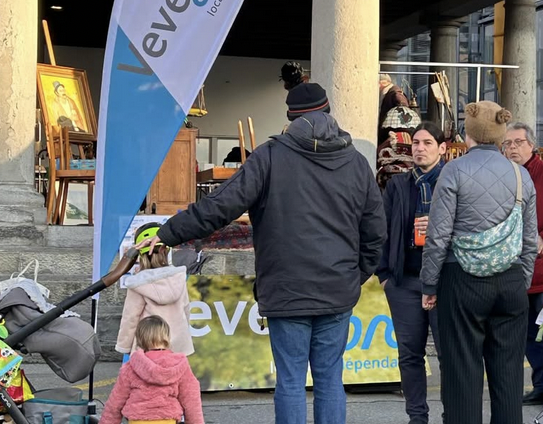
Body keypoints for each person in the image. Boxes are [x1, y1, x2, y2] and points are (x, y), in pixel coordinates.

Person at [134, 82, 387, 424]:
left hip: (287, 288)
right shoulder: (356, 163)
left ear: (290, 118)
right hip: (337, 289)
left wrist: (167, 234)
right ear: (328, 112)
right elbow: (375, 230)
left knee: (292, 382)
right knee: (329, 380)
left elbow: (219, 207)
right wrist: (354, 277)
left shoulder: (270, 157)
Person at [421, 101, 538, 424]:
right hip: (511, 280)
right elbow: (530, 241)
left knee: (462, 373)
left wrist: (429, 284)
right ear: (501, 133)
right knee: (509, 375)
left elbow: (438, 236)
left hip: (462, 278)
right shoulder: (520, 175)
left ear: (469, 132)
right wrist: (522, 280)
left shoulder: (454, 170)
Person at [375, 121, 446, 424]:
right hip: (405, 282)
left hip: (445, 282)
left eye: (427, 143)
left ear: (442, 148)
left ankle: (452, 414)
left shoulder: (452, 181)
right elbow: (382, 230)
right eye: (416, 143)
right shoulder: (398, 185)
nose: (420, 148)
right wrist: (385, 275)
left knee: (448, 356)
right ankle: (417, 417)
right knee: (410, 355)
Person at [503, 122, 543, 411]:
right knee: (528, 334)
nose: (512, 147)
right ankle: (542, 385)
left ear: (532, 145)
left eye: (518, 142)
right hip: (516, 270)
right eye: (507, 143)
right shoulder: (505, 175)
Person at [100, 316, 204, 424]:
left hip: (137, 420)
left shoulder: (132, 365)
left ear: (140, 338)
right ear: (167, 337)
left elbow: (115, 403)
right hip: (167, 420)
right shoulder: (179, 365)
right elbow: (191, 401)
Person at [116, 222, 194, 357]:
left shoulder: (138, 284)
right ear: (166, 250)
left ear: (140, 255)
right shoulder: (178, 277)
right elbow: (185, 310)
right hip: (177, 348)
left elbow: (130, 318)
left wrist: (124, 346)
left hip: (148, 346)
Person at [378, 74, 409, 143]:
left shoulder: (395, 94)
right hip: (390, 132)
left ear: (383, 82)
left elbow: (404, 114)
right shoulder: (391, 93)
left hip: (393, 134)